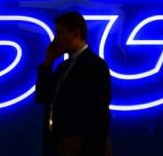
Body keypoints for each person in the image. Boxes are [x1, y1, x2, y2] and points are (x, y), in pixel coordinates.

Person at [35, 11, 112, 156]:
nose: (56, 40)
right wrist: (47, 63)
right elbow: (43, 97)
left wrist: (86, 147)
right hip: (59, 146)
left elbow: (99, 114)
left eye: (60, 33)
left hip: (81, 149)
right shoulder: (63, 67)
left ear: (75, 33)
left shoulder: (95, 66)